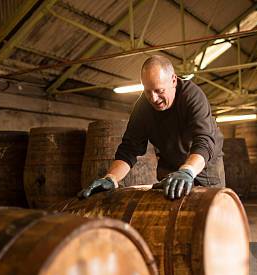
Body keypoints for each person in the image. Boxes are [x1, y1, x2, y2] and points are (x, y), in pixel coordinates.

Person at [78, 55, 225, 200]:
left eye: (159, 90)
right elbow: (129, 149)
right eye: (148, 91)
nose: (154, 99)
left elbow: (204, 141)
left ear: (173, 80)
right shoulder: (143, 107)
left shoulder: (192, 96)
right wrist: (111, 177)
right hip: (171, 163)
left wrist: (188, 171)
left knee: (211, 208)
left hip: (203, 164)